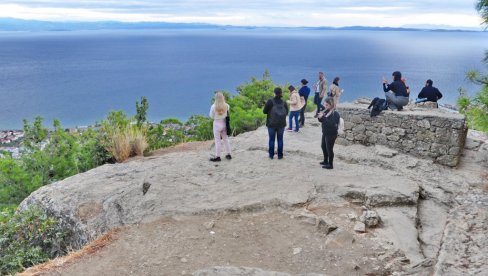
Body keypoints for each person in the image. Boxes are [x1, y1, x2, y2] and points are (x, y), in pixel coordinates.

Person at [263, 87, 289, 159]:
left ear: (274, 93)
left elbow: (264, 111)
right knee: (280, 139)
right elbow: (287, 112)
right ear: (281, 94)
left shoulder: (270, 101)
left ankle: (271, 155)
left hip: (271, 124)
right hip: (281, 124)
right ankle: (280, 155)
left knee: (271, 140)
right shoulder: (284, 102)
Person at [318, 97, 340, 169]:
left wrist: (323, 118)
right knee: (323, 146)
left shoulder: (335, 114)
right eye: (325, 104)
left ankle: (330, 164)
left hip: (331, 134)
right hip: (325, 132)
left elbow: (332, 124)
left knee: (329, 149)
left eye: (327, 105)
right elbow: (322, 121)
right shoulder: (326, 111)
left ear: (331, 105)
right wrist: (320, 117)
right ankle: (325, 161)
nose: (325, 106)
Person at [209, 91, 231, 162]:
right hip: (224, 123)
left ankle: (218, 156)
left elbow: (211, 116)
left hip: (216, 124)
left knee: (217, 141)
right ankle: (229, 154)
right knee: (226, 139)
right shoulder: (227, 105)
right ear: (223, 97)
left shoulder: (213, 106)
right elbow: (227, 114)